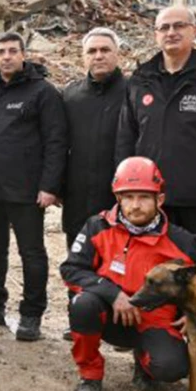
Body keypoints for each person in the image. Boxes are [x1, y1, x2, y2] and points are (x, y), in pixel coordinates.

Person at [61, 157, 196, 391]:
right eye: (127, 197)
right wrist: (113, 294)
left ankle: (144, 363)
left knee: (172, 369)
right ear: (118, 198)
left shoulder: (181, 242)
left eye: (143, 197)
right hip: (110, 312)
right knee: (82, 305)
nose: (135, 205)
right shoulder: (97, 227)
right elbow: (72, 269)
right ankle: (90, 376)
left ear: (159, 200)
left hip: (156, 320)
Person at [116, 5, 196, 271]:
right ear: (155, 35)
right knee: (156, 272)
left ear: (194, 31)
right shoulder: (140, 79)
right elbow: (126, 137)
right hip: (153, 198)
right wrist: (126, 189)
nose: (171, 32)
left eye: (179, 26)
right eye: (164, 27)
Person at [0, 32, 67, 342]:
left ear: (24, 55)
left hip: (26, 190)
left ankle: (31, 313)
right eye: (1, 51)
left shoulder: (42, 92)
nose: (6, 56)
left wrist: (50, 185)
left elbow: (56, 141)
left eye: (12, 51)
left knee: (31, 252)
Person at [62, 28, 127, 248]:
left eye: (105, 50)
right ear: (83, 57)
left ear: (117, 54)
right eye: (92, 51)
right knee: (78, 262)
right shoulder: (71, 95)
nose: (98, 56)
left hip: (120, 198)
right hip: (77, 199)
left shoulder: (134, 92)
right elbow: (59, 144)